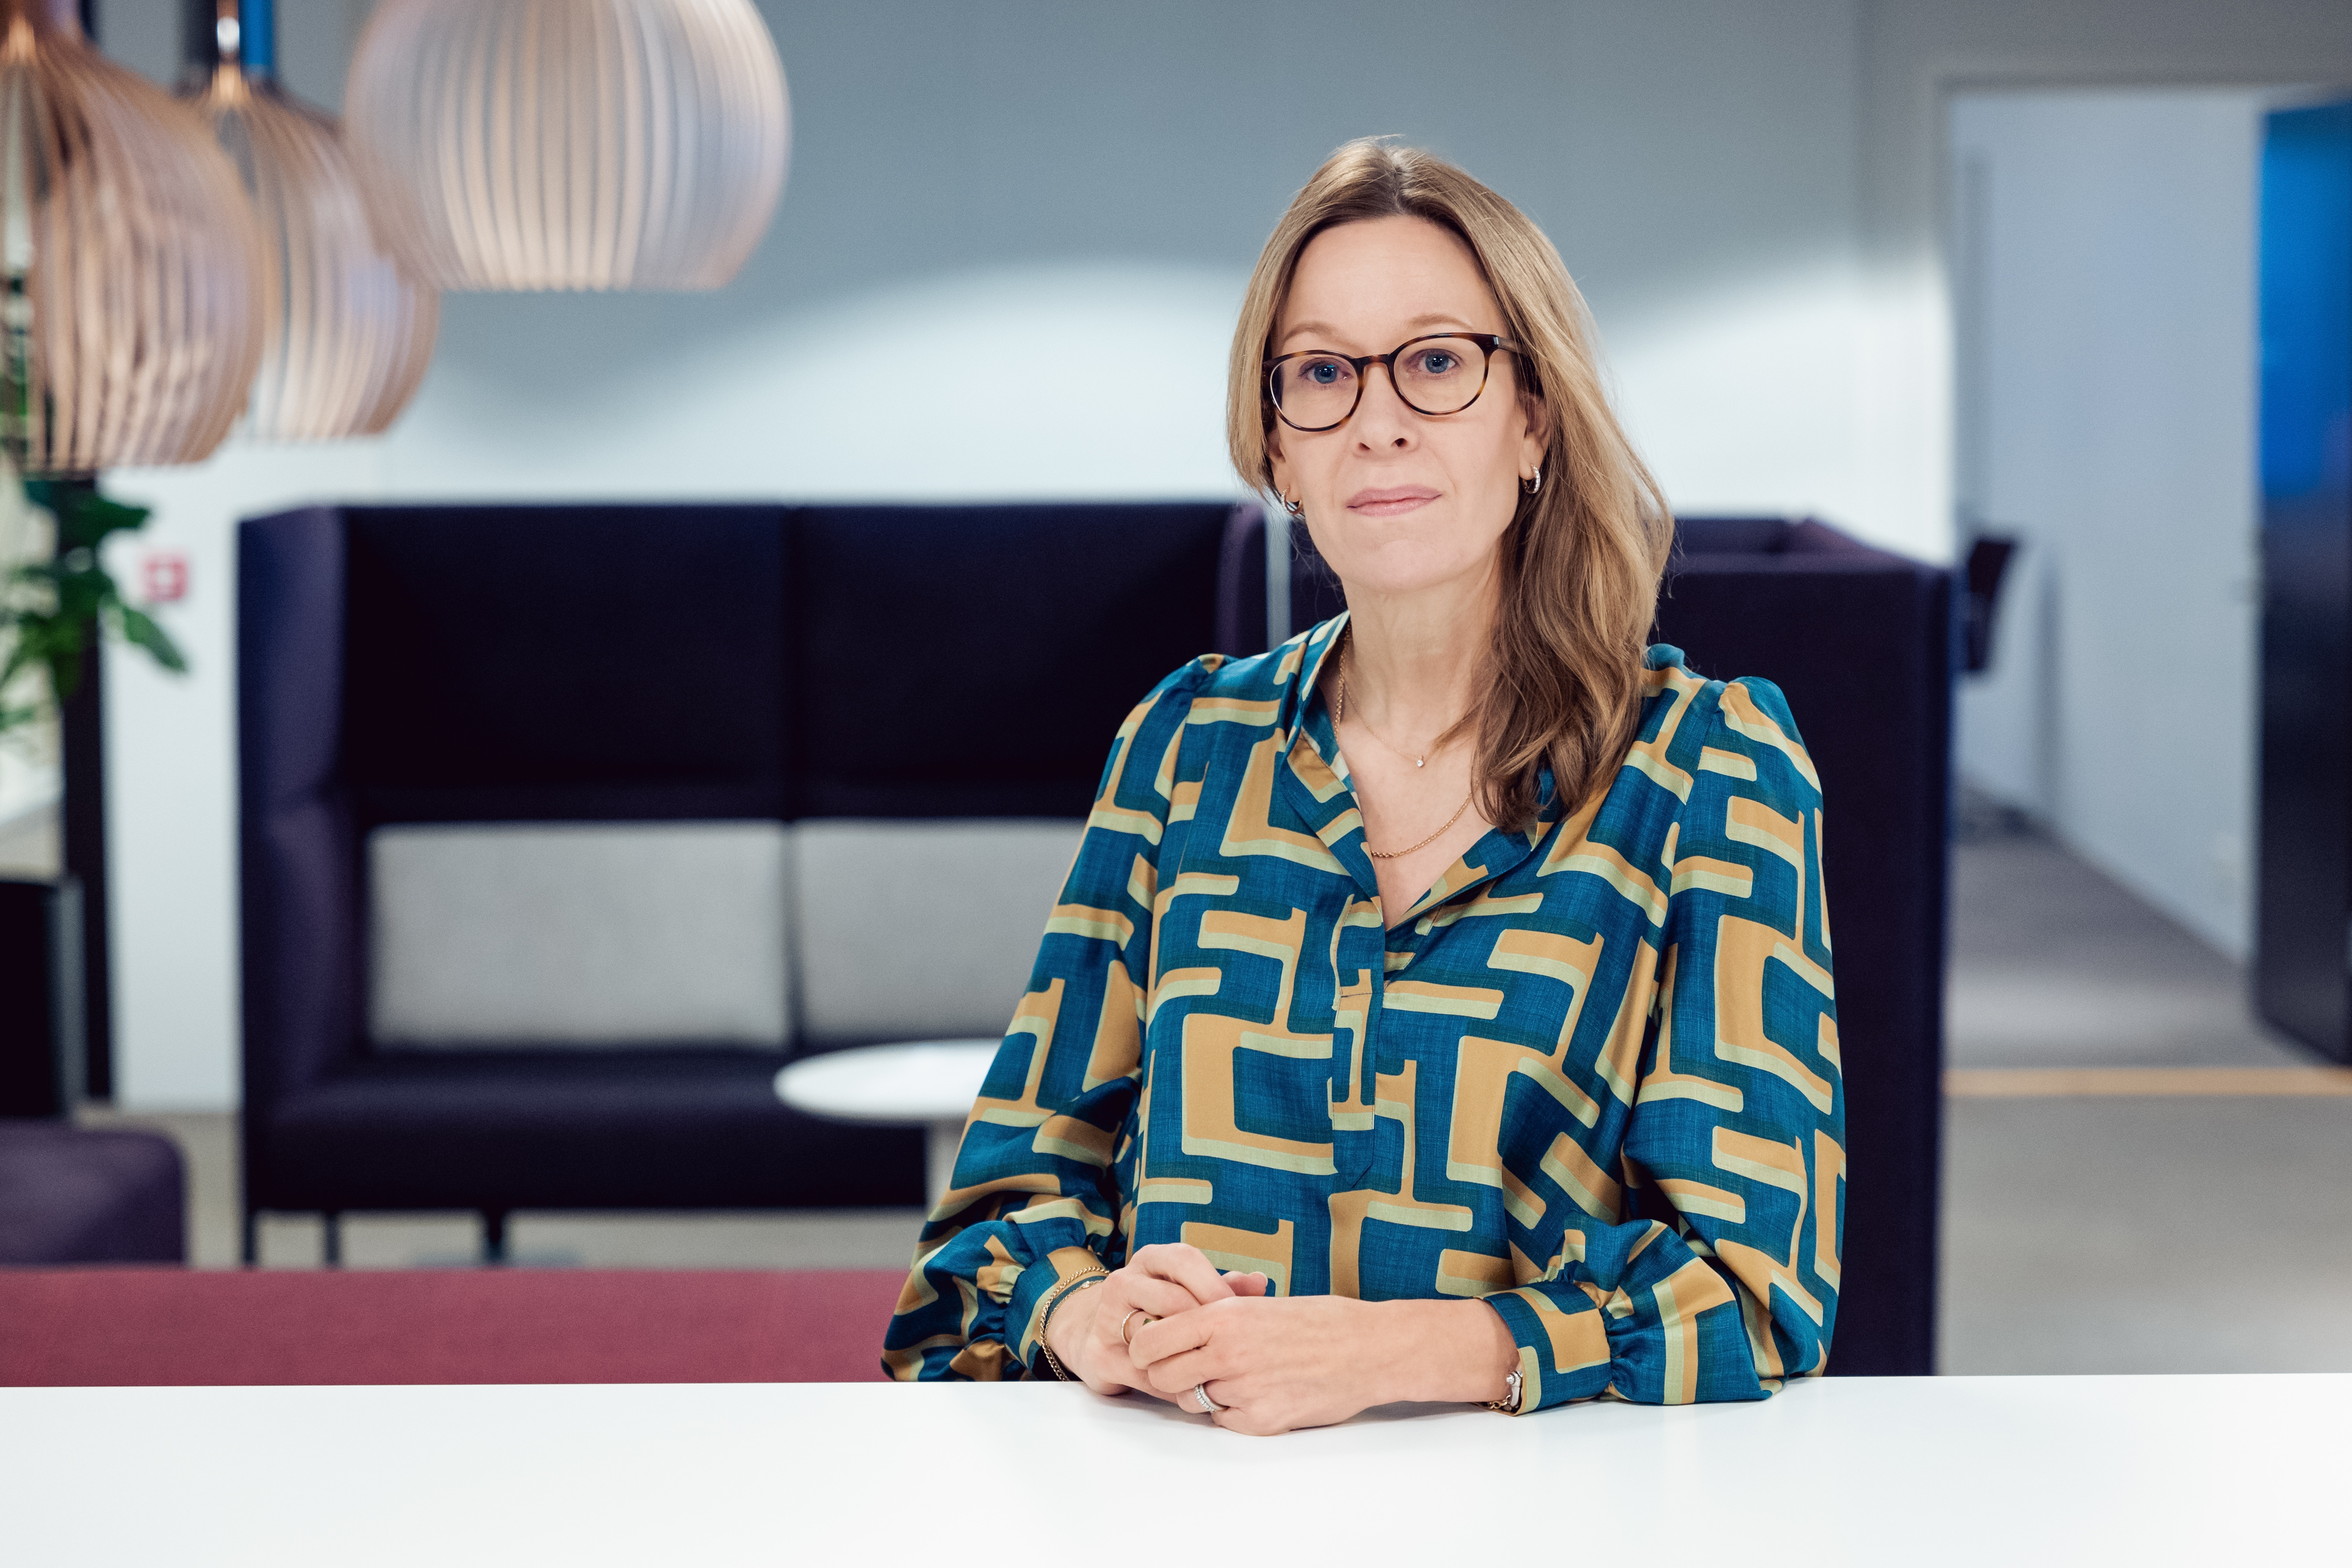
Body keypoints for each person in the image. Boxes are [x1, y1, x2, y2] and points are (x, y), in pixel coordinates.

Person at [881, 138, 1842, 1434]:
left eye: (1436, 362)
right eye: (1322, 374)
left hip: (1537, 1512)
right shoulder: (1186, 747)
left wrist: (1396, 1352)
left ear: (1533, 419)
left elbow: (1755, 1294)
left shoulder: (1706, 768)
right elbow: (990, 1230)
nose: (1376, 419)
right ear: (1278, 450)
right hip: (1180, 1498)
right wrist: (1081, 1311)